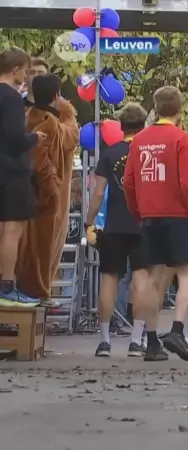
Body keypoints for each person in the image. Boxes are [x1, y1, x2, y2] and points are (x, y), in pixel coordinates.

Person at [123, 85, 188, 362]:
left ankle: (150, 342)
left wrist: (138, 212)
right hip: (179, 216)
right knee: (186, 274)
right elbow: (187, 184)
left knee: (153, 279)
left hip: (149, 217)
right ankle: (178, 330)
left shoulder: (139, 140)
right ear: (180, 110)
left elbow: (129, 182)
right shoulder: (182, 140)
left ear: (155, 109)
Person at [87, 102, 157, 359]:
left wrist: (89, 220)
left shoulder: (109, 154)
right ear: (142, 125)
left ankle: (104, 341)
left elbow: (97, 193)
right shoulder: (149, 152)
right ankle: (136, 340)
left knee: (109, 280)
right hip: (143, 225)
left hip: (113, 225)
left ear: (121, 125)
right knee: (141, 281)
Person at [15, 74, 79, 308]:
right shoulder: (50, 120)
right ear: (56, 95)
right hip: (43, 196)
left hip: (27, 191)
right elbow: (40, 156)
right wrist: (50, 188)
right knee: (41, 248)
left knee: (27, 245)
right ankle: (38, 291)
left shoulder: (27, 116)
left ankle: (28, 289)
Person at [0, 47, 45, 306]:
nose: (26, 76)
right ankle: (7, 286)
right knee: (12, 228)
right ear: (15, 69)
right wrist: (34, 138)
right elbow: (16, 138)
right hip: (13, 171)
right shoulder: (13, 98)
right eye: (25, 71)